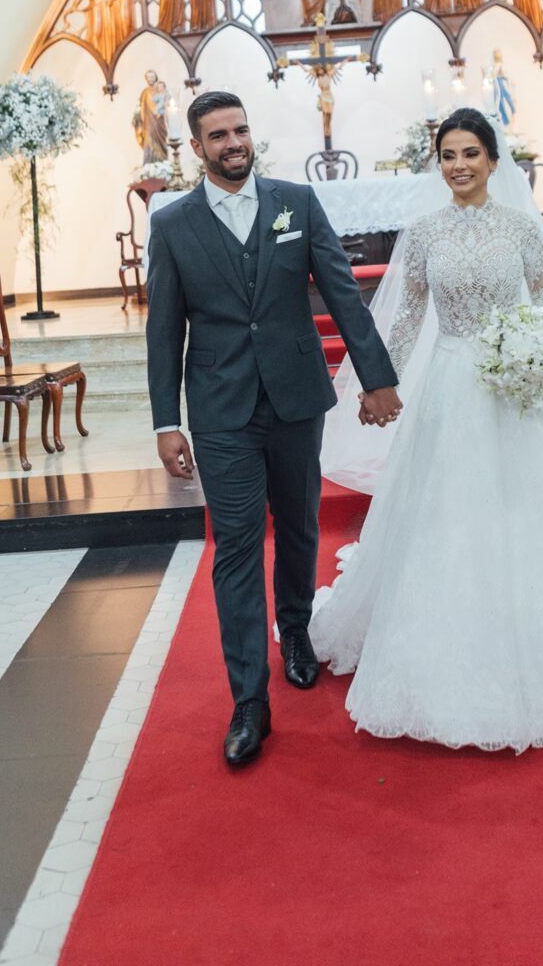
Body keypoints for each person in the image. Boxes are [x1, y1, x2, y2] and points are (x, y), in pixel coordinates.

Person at [310, 107, 543, 752]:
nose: (458, 166)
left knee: (530, 508)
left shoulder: (521, 230)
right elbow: (407, 318)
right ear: (438, 162)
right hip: (451, 388)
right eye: (448, 155)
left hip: (518, 390)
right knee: (449, 514)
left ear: (492, 161)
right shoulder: (421, 233)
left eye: (470, 154)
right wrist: (376, 380)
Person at [145, 90, 402, 767]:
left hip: (294, 398)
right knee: (234, 546)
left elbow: (342, 290)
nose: (232, 142)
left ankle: (295, 631)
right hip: (220, 408)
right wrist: (166, 422)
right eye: (217, 135)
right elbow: (163, 331)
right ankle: (248, 700)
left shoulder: (295, 203)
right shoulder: (172, 225)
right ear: (196, 148)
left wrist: (375, 376)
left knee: (297, 528)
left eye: (239, 130)